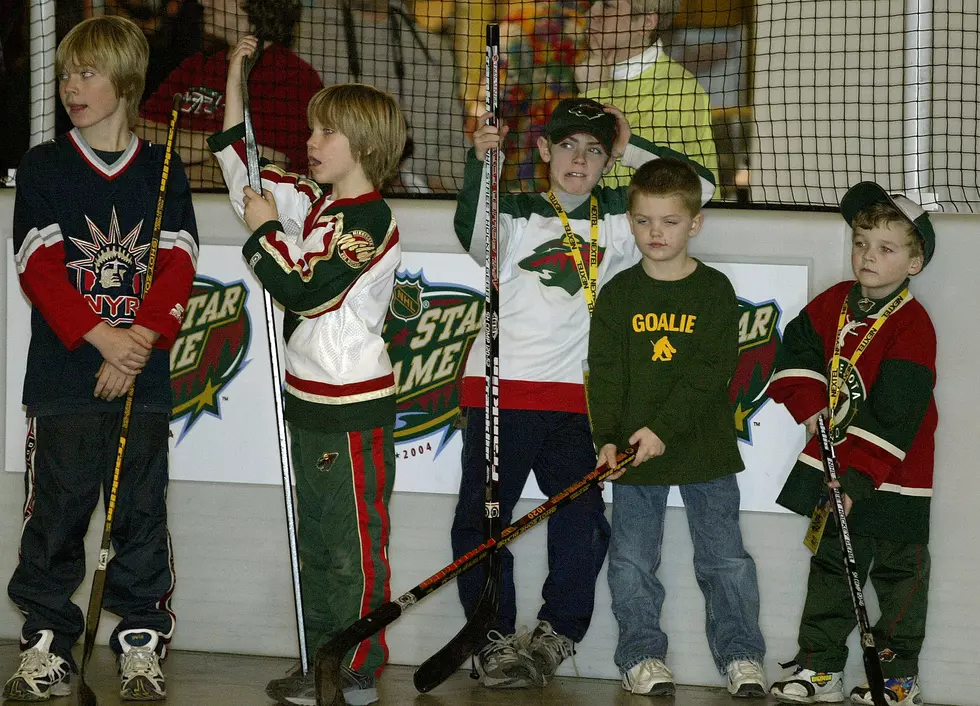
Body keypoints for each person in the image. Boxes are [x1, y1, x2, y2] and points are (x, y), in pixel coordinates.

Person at [450, 96, 715, 689]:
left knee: (585, 518)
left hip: (577, 403)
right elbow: (474, 234)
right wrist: (480, 162)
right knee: (481, 519)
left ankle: (554, 635)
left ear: (608, 159)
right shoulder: (513, 210)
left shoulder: (623, 217)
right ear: (543, 150)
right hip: (499, 393)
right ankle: (492, 636)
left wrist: (631, 147)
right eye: (567, 144)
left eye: (595, 149)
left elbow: (698, 186)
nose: (580, 158)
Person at [3, 15, 198, 702]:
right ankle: (48, 643)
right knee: (55, 515)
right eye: (65, 75)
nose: (71, 87)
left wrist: (136, 342)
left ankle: (141, 641)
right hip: (64, 381)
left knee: (141, 515)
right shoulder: (46, 165)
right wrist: (104, 337)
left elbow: (178, 263)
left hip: (140, 382)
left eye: (87, 73)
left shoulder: (164, 166)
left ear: (125, 80)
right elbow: (39, 266)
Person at [207, 35, 406, 706]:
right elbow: (242, 170)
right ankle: (325, 659)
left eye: (327, 132)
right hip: (311, 404)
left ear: (365, 146)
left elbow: (309, 290)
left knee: (354, 547)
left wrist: (264, 234)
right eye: (314, 128)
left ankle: (357, 668)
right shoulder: (314, 203)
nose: (312, 140)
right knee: (320, 546)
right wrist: (236, 73)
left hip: (353, 409)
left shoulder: (369, 218)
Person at [586, 157, 766, 697]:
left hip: (703, 449)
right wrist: (608, 439)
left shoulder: (713, 290)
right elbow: (607, 375)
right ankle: (641, 655)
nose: (654, 233)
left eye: (667, 221)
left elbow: (711, 373)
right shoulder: (618, 294)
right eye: (642, 221)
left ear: (694, 223)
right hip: (635, 456)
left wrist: (662, 429)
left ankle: (740, 656)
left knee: (726, 561)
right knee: (632, 562)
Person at [768, 182, 938, 706]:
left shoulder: (913, 325)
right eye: (861, 243)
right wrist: (807, 394)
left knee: (898, 576)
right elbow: (796, 342)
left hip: (894, 477)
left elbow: (897, 413)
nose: (868, 256)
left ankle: (896, 675)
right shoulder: (834, 302)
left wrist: (859, 479)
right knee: (831, 569)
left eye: (886, 248)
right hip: (836, 466)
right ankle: (820, 669)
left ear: (914, 262)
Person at [138, 0, 323, 188]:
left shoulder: (293, 76)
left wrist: (168, 168)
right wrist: (215, 145)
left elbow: (257, 168)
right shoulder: (196, 66)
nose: (203, 2)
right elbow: (138, 133)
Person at [295, 0, 463, 193]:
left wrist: (442, 187)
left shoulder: (433, 50)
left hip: (418, 202)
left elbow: (452, 141)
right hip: (331, 197)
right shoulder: (304, 38)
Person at [577, 0, 719, 188]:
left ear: (647, 22)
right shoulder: (591, 73)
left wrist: (594, 94)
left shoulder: (678, 90)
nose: (589, 15)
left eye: (607, 6)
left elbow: (644, 186)